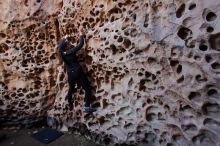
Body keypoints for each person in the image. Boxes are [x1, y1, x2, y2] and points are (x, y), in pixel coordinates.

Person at [58, 28, 96, 113]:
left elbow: (60, 48)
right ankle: (86, 107)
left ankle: (70, 103)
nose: (69, 44)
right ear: (67, 47)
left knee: (71, 88)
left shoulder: (62, 54)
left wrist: (64, 38)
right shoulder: (71, 51)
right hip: (78, 72)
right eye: (68, 44)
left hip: (70, 74)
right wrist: (81, 35)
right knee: (87, 88)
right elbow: (81, 44)